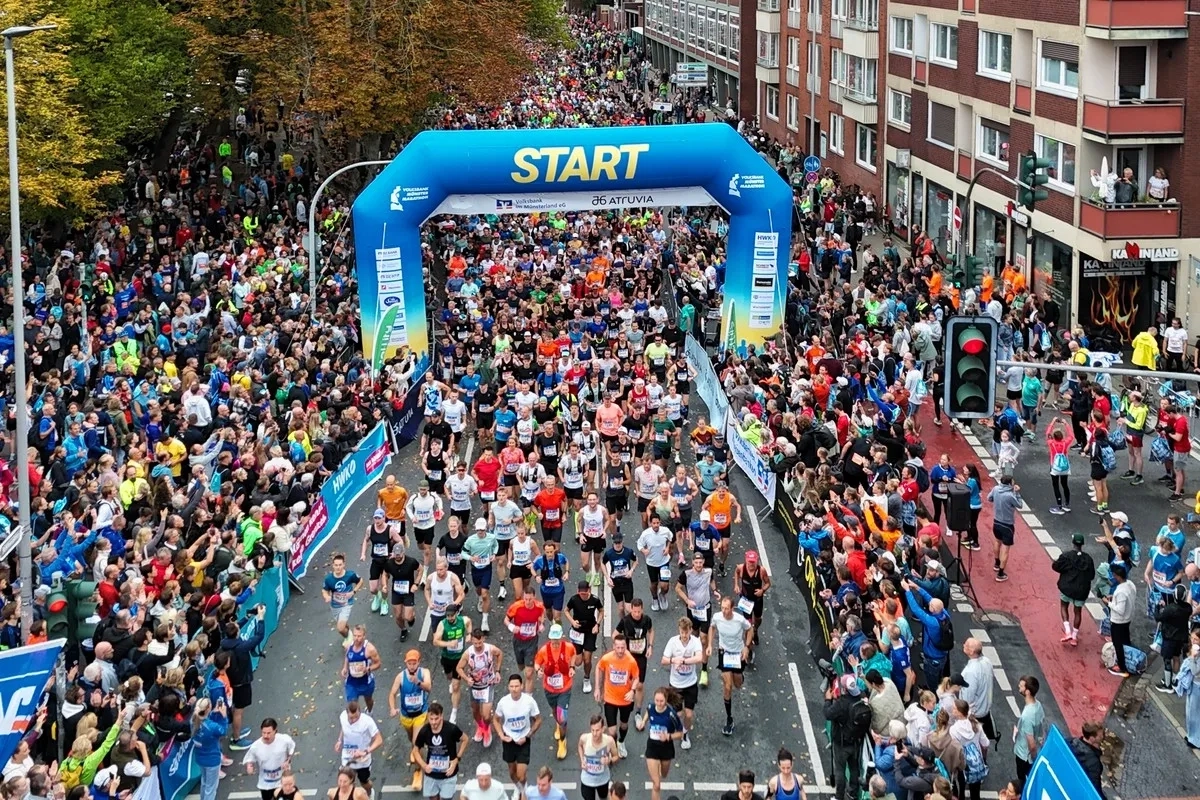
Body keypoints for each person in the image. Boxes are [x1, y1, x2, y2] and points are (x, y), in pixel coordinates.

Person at [533, 623, 578, 761]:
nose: (556, 642)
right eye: (553, 640)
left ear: (561, 638)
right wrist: (538, 671)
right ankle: (558, 724)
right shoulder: (544, 650)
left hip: (565, 688)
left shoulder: (568, 647)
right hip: (549, 688)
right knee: (555, 711)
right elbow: (537, 663)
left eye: (557, 639)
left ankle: (562, 743)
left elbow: (574, 654)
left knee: (562, 716)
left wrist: (572, 667)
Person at [389, 650, 433, 790]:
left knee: (416, 743)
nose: (412, 666)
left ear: (419, 662)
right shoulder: (400, 677)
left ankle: (418, 773)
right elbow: (392, 693)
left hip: (420, 714)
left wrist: (418, 682)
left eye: (414, 663)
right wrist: (392, 707)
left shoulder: (424, 673)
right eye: (410, 663)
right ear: (406, 663)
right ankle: (416, 751)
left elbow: (429, 688)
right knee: (411, 739)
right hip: (406, 715)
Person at [493, 674, 541, 800]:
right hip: (509, 740)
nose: (514, 689)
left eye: (517, 686)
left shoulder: (529, 701)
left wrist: (528, 735)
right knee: (512, 773)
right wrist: (501, 736)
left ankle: (523, 791)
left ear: (522, 686)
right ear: (508, 687)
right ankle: (518, 787)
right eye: (511, 686)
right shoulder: (503, 702)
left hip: (523, 740)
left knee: (521, 774)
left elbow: (538, 720)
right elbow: (496, 720)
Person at [708, 595, 752, 735]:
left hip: (738, 653)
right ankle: (729, 719)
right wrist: (709, 644)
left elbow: (750, 629)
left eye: (727, 608)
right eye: (722, 608)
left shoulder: (739, 620)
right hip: (724, 653)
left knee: (737, 684)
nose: (724, 611)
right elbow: (712, 627)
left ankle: (740, 676)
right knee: (727, 686)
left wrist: (746, 647)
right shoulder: (717, 617)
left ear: (732, 608)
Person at [660, 616, 704, 750]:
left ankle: (685, 734)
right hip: (676, 684)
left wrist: (684, 661)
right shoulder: (673, 642)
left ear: (691, 630)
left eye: (686, 632)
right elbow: (664, 660)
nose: (684, 635)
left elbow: (699, 657)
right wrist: (674, 660)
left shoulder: (695, 641)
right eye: (682, 632)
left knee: (689, 714)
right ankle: (676, 727)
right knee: (678, 714)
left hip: (690, 683)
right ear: (679, 630)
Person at [825, 674, 871, 800]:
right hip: (856, 741)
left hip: (841, 743)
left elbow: (828, 714)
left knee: (840, 770)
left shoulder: (842, 703)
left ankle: (839, 796)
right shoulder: (862, 697)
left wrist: (828, 700)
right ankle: (853, 793)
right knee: (854, 768)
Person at [595, 634, 641, 757]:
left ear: (626, 647)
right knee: (612, 730)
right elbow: (599, 668)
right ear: (614, 646)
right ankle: (614, 746)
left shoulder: (631, 661)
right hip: (610, 698)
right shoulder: (607, 659)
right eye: (618, 647)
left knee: (624, 725)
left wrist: (632, 690)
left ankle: (621, 742)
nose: (620, 651)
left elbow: (636, 678)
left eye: (623, 648)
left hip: (626, 699)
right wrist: (597, 689)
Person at [675, 551, 717, 688]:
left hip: (705, 608)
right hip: (692, 610)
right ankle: (691, 662)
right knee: (694, 635)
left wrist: (714, 591)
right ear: (693, 563)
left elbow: (711, 581)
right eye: (696, 563)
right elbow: (677, 588)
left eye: (700, 562)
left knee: (704, 639)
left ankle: (704, 670)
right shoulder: (686, 574)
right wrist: (687, 600)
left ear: (703, 562)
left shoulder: (709, 571)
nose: (698, 565)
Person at [902, 577, 953, 687]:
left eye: (930, 605)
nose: (928, 604)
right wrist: (917, 587)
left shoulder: (932, 622)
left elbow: (916, 609)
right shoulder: (944, 614)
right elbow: (931, 599)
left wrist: (907, 591)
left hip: (933, 658)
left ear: (933, 610)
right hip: (942, 655)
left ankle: (933, 692)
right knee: (939, 675)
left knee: (932, 680)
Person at [457, 629, 504, 747]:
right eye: (475, 643)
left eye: (480, 643)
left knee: (486, 715)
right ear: (472, 641)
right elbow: (459, 668)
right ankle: (480, 727)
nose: (478, 646)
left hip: (488, 685)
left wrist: (497, 671)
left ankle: (487, 729)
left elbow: (499, 654)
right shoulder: (468, 653)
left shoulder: (490, 649)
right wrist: (466, 679)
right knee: (475, 711)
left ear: (483, 639)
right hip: (475, 686)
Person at [412, 702, 467, 800]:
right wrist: (424, 765)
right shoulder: (425, 731)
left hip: (448, 774)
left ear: (441, 716)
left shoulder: (451, 729)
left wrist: (457, 759)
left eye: (436, 719)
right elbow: (415, 750)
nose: (433, 722)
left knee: (446, 798)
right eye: (431, 719)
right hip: (431, 773)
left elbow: (465, 739)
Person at [1052, 532, 1096, 646]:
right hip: (1082, 590)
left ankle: (1067, 631)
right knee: (1078, 612)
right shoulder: (1088, 559)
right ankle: (1074, 637)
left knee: (1064, 606)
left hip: (1067, 587)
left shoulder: (1066, 556)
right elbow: (1091, 576)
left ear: (1073, 543)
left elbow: (1055, 566)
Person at [643, 688, 686, 800]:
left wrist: (668, 736)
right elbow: (648, 712)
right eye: (657, 700)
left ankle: (659, 772)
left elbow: (681, 733)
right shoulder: (651, 707)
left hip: (666, 748)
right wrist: (643, 722)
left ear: (666, 700)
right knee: (656, 784)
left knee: (664, 774)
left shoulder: (671, 714)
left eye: (661, 701)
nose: (659, 703)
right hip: (652, 747)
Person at [433, 603, 472, 725]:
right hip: (447, 657)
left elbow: (469, 622)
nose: (449, 618)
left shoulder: (463, 620)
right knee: (449, 676)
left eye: (451, 615)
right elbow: (435, 641)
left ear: (456, 614)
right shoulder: (442, 625)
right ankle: (450, 680)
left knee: (456, 686)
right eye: (447, 616)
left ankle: (454, 713)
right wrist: (448, 644)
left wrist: (469, 634)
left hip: (459, 659)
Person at [335, 701, 383, 800]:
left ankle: (369, 793)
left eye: (356, 717)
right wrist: (339, 740)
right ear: (346, 713)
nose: (353, 720)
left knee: (364, 782)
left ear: (360, 713)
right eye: (351, 718)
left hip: (362, 760)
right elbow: (344, 728)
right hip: (347, 758)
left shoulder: (367, 721)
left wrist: (365, 752)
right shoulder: (343, 716)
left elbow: (379, 740)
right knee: (347, 782)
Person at [564, 581, 604, 694]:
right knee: (577, 662)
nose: (583, 595)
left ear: (589, 590)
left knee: (587, 659)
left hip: (590, 631)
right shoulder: (574, 599)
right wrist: (572, 621)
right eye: (581, 593)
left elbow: (601, 611)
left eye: (585, 593)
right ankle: (573, 659)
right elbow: (566, 610)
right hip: (577, 631)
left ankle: (586, 678)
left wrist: (597, 625)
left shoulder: (595, 600)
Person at [243, 718, 297, 800]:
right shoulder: (255, 746)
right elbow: (249, 759)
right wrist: (249, 767)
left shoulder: (285, 740)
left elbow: (291, 749)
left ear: (275, 731)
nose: (265, 736)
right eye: (263, 733)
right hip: (266, 784)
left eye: (269, 733)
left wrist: (288, 760)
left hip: (282, 782)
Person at [732, 549, 770, 663]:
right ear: (746, 560)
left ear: (756, 561)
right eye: (749, 562)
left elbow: (768, 583)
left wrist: (762, 590)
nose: (751, 564)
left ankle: (756, 630)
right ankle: (748, 649)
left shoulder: (761, 570)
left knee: (757, 620)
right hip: (746, 600)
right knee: (748, 626)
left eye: (753, 562)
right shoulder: (741, 568)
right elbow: (736, 573)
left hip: (758, 600)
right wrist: (736, 586)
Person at [505, 587, 546, 693]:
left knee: (529, 673)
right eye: (526, 599)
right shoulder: (516, 606)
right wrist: (511, 627)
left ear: (534, 598)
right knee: (521, 666)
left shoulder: (539, 606)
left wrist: (541, 625)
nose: (527, 602)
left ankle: (528, 698)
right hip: (518, 640)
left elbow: (541, 616)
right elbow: (506, 620)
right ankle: (525, 671)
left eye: (530, 599)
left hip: (532, 641)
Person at [383, 543, 425, 640]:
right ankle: (403, 629)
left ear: (403, 553)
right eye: (396, 554)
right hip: (396, 591)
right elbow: (385, 573)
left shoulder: (411, 562)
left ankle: (411, 617)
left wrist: (416, 584)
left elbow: (420, 569)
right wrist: (385, 585)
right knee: (398, 616)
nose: (397, 556)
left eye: (399, 554)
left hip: (408, 591)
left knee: (408, 617)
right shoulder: (389, 563)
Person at [464, 518, 500, 632]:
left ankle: (484, 621)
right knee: (479, 590)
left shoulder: (491, 537)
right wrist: (471, 558)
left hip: (486, 568)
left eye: (482, 530)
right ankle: (480, 598)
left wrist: (494, 554)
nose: (480, 532)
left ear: (485, 529)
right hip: (475, 568)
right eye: (478, 530)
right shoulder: (470, 540)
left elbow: (496, 546)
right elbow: (463, 553)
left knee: (485, 593)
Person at [986, 476, 1023, 582]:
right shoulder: (1010, 495)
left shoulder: (996, 489)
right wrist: (1017, 493)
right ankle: (1001, 573)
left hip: (996, 522)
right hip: (1007, 525)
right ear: (1009, 484)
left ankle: (996, 563)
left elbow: (989, 498)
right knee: (1005, 549)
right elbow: (1019, 505)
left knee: (997, 542)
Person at [1102, 563, 1136, 678]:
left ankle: (1122, 667)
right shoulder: (1130, 584)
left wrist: (1109, 603)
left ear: (1117, 576)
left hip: (1119, 621)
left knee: (1118, 643)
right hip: (1128, 618)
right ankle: (1129, 660)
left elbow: (1119, 610)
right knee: (1126, 640)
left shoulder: (1121, 591)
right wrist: (1114, 597)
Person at [193, 698, 229, 800]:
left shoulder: (193, 722)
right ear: (208, 708)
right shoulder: (212, 727)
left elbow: (206, 722)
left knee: (204, 783)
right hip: (212, 760)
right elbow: (222, 731)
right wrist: (224, 716)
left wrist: (213, 713)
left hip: (200, 758)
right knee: (211, 788)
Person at [1013, 675, 1046, 785]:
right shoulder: (1038, 705)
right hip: (1033, 752)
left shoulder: (1027, 715)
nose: (1019, 686)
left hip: (1024, 755)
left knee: (1022, 780)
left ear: (1027, 692)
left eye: (1021, 686)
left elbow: (1031, 744)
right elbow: (1042, 727)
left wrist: (1033, 757)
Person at [577, 715, 619, 800]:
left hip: (602, 780)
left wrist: (609, 760)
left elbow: (616, 756)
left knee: (603, 797)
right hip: (587, 780)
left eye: (597, 730)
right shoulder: (584, 738)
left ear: (603, 729)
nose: (594, 733)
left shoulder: (609, 741)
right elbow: (579, 746)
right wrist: (582, 760)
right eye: (592, 730)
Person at [342, 626, 382, 713]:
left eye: (359, 636)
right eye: (355, 635)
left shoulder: (370, 649)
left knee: (368, 701)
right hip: (351, 682)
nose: (356, 638)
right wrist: (345, 668)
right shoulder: (349, 645)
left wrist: (369, 668)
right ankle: (358, 721)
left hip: (365, 682)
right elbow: (347, 657)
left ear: (364, 636)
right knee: (353, 705)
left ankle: (370, 711)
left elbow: (378, 663)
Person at [323, 553, 362, 644]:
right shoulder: (329, 579)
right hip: (335, 606)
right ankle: (349, 634)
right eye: (336, 565)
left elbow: (360, 581)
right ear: (333, 566)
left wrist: (353, 591)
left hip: (347, 603)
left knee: (340, 628)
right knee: (342, 625)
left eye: (340, 565)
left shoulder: (350, 575)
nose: (338, 567)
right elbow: (324, 590)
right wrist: (327, 596)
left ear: (344, 564)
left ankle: (349, 638)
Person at [637, 516, 674, 611]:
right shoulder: (646, 534)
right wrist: (644, 550)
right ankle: (655, 599)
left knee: (665, 586)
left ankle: (662, 595)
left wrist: (667, 547)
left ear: (660, 523)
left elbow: (670, 538)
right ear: (650, 523)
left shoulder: (665, 531)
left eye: (657, 523)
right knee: (654, 584)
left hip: (664, 561)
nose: (656, 525)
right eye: (654, 523)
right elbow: (639, 544)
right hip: (651, 563)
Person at [602, 532, 638, 620]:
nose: (618, 545)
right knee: (621, 608)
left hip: (626, 582)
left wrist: (631, 570)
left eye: (619, 543)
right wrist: (607, 577)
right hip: (616, 583)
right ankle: (623, 623)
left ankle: (632, 624)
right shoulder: (609, 553)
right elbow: (602, 564)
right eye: (616, 543)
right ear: (613, 543)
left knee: (628, 608)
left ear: (622, 542)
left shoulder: (628, 551)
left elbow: (636, 560)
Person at [1067, 722, 1107, 800]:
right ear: (1092, 738)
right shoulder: (1094, 762)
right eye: (1100, 735)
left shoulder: (1071, 741)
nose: (1103, 736)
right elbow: (1094, 788)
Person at [1177, 629, 1200, 749]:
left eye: (1196, 639)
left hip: (1198, 686)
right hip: (1194, 685)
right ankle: (1192, 736)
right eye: (1192, 638)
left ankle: (1196, 740)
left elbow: (1195, 671)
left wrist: (1192, 657)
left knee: (1195, 713)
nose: (1193, 641)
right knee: (1190, 711)